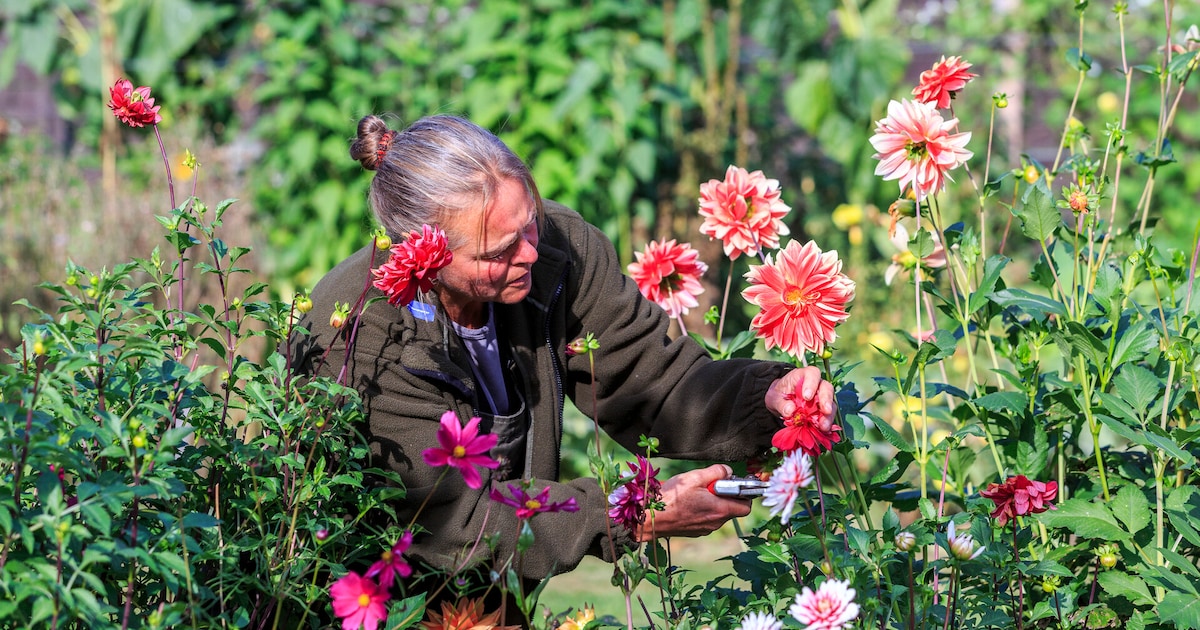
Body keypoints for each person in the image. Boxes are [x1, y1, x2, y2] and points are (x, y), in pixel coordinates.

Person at [290, 114, 834, 599]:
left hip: (502, 591)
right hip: (382, 594)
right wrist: (631, 513)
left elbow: (653, 380)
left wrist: (764, 396)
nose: (530, 251)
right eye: (499, 251)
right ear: (421, 253)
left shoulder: (556, 246)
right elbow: (454, 521)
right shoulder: (364, 331)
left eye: (528, 220)